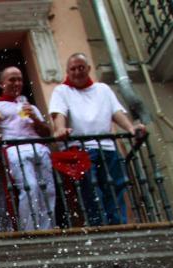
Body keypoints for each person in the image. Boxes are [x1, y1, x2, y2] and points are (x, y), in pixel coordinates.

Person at [49, 53, 147, 226]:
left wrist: (131, 128)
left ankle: (117, 225)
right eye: (73, 69)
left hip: (108, 148)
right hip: (81, 150)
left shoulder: (103, 89)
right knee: (91, 191)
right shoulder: (62, 90)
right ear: (67, 71)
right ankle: (99, 227)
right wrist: (60, 129)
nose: (77, 72)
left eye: (81, 68)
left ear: (88, 69)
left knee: (115, 188)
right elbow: (59, 113)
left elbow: (116, 112)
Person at [0, 67, 56, 232]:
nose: (17, 83)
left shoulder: (29, 106)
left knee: (48, 190)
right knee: (30, 187)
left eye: (19, 79)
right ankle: (30, 230)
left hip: (39, 148)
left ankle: (48, 229)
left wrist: (35, 118)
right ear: (1, 83)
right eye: (12, 79)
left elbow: (47, 133)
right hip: (15, 149)